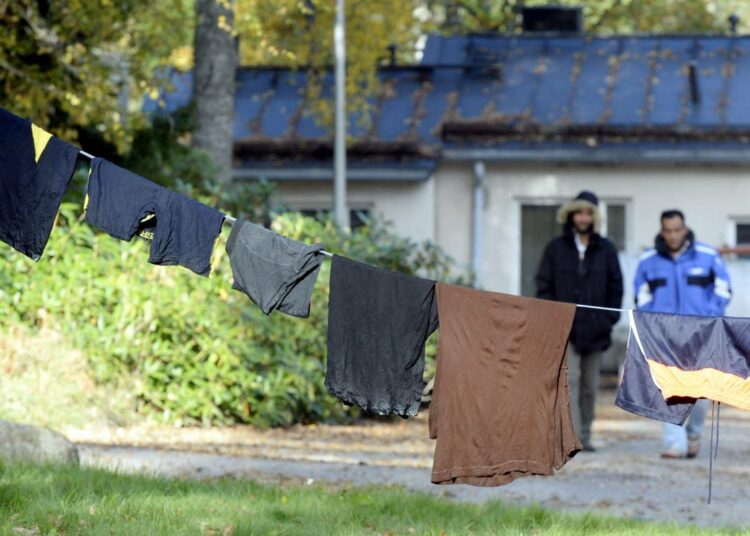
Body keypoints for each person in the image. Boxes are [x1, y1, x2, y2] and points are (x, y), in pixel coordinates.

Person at [634, 209, 732, 459]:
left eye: (677, 230)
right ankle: (674, 443)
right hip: (666, 338)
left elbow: (724, 290)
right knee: (670, 389)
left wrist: (709, 316)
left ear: (685, 228)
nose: (673, 235)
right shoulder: (648, 261)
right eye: (668, 230)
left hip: (702, 335)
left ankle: (694, 433)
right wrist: (655, 323)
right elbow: (641, 296)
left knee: (700, 394)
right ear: (661, 231)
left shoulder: (708, 256)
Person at [536, 191, 623, 452]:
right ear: (571, 215)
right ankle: (569, 437)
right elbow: (543, 286)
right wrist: (552, 319)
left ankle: (585, 434)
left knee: (590, 386)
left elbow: (615, 287)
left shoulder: (606, 249)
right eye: (579, 212)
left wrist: (609, 318)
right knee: (568, 381)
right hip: (565, 329)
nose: (584, 218)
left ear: (594, 217)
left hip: (596, 330)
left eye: (589, 213)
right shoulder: (555, 248)